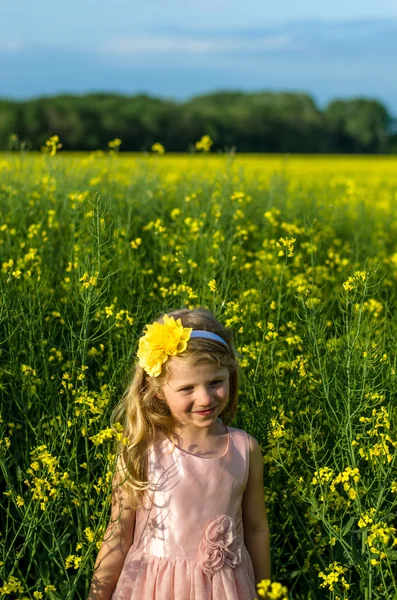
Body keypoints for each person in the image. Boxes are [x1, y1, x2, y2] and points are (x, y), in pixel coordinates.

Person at [88, 307, 271, 600]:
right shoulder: (141, 450)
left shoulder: (245, 449)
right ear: (158, 390)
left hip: (225, 590)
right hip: (152, 589)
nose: (205, 398)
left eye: (215, 382)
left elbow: (257, 530)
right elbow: (119, 537)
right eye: (187, 388)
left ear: (230, 374)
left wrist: (265, 593)